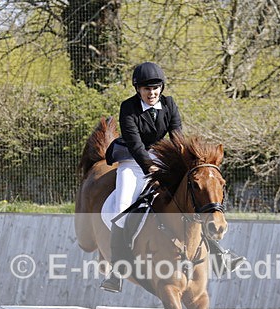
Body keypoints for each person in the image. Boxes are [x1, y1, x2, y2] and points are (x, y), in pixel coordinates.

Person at [101, 62, 244, 293]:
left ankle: (220, 255)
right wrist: (150, 167)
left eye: (156, 88)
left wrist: (185, 163)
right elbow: (136, 145)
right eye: (147, 89)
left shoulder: (169, 104)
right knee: (122, 210)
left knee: (190, 201)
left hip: (160, 159)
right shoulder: (128, 108)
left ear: (161, 88)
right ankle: (117, 271)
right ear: (138, 89)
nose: (152, 93)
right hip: (133, 163)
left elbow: (177, 137)